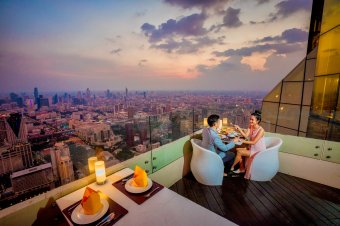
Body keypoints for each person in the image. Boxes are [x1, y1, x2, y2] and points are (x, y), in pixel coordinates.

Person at [230, 110, 266, 176]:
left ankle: (231, 167)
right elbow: (246, 136)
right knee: (238, 150)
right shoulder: (251, 126)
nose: (250, 121)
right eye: (250, 119)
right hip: (252, 148)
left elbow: (253, 142)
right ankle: (242, 168)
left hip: (258, 150)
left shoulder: (261, 130)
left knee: (239, 152)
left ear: (257, 121)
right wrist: (239, 129)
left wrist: (241, 141)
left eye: (252, 120)